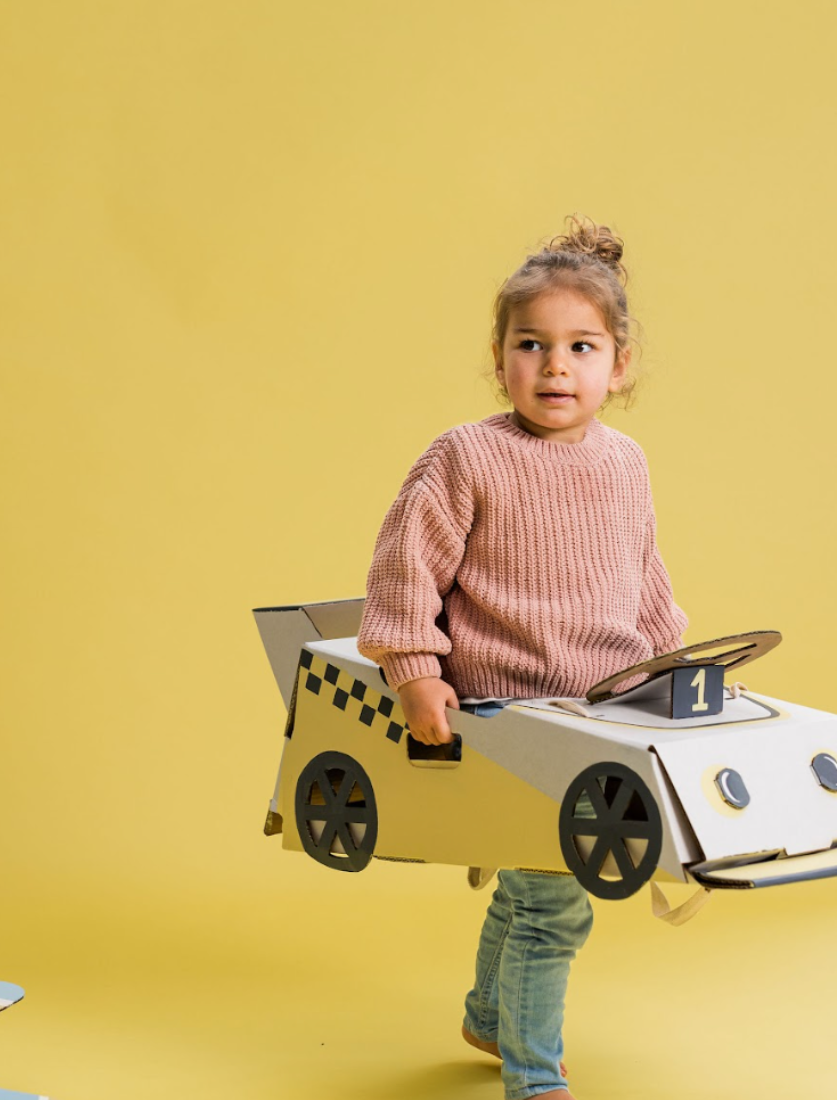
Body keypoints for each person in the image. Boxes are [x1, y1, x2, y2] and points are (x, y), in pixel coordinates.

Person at [356, 214, 688, 1100]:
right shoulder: (467, 457)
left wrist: (670, 664)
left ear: (619, 367)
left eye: (581, 347)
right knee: (555, 899)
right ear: (499, 358)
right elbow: (404, 569)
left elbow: (643, 573)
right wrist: (416, 670)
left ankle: (490, 1017)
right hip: (507, 717)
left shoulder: (626, 463)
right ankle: (534, 1077)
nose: (555, 366)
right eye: (531, 344)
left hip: (602, 711)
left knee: (532, 874)